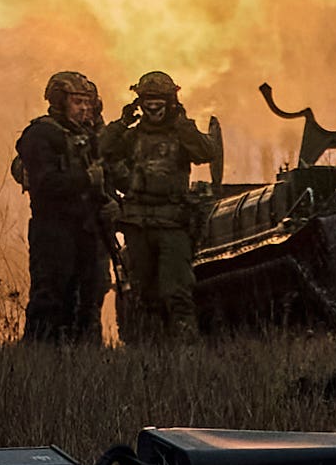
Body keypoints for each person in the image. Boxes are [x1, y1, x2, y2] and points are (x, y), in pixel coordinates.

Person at [99, 71, 218, 343]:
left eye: (159, 101)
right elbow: (100, 150)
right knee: (144, 294)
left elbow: (207, 152)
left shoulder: (180, 134)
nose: (153, 107)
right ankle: (149, 354)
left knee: (177, 293)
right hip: (138, 225)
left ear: (170, 102)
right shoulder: (130, 137)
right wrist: (121, 123)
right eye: (148, 100)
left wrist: (183, 123)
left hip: (173, 225)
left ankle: (185, 355)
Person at [15, 71, 112, 344]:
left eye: (88, 102)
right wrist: (85, 179)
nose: (85, 108)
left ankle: (83, 359)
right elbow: (45, 184)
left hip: (87, 228)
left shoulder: (90, 137)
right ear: (60, 102)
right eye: (78, 102)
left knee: (88, 298)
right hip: (53, 229)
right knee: (50, 298)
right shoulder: (42, 135)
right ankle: (40, 359)